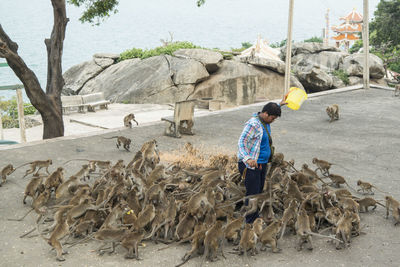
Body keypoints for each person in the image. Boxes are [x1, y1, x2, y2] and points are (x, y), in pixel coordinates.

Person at [237, 99, 286, 223]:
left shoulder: (264, 120)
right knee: (252, 193)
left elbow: (271, 109)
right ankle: (250, 219)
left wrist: (280, 104)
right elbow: (241, 142)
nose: (273, 121)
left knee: (258, 190)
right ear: (265, 114)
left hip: (261, 163)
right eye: (272, 118)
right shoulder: (253, 124)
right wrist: (248, 158)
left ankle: (253, 214)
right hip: (251, 165)